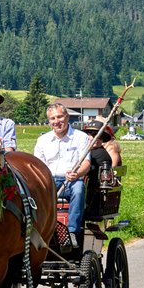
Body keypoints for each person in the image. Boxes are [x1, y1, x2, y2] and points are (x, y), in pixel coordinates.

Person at [34, 102, 91, 251]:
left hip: (71, 180)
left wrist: (77, 174)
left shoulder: (81, 137)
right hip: (49, 180)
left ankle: (72, 232)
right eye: (53, 118)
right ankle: (37, 231)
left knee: (78, 190)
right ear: (49, 121)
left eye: (59, 116)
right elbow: (38, 166)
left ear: (67, 117)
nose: (56, 121)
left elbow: (86, 162)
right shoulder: (42, 140)